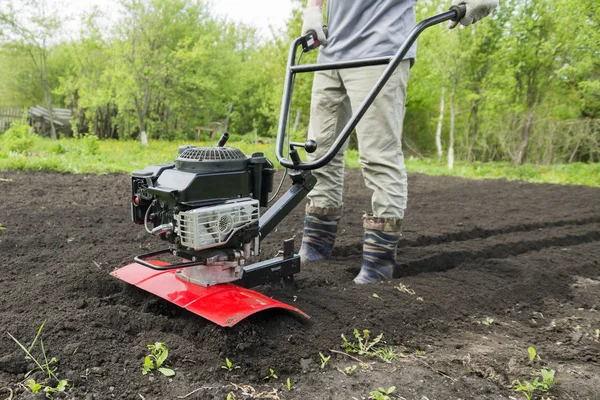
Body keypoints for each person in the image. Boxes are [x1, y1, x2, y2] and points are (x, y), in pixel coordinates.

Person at [298, 0, 499, 284]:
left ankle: (378, 265)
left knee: (378, 155)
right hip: (331, 50)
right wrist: (313, 8)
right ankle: (316, 248)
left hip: (382, 48)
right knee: (318, 152)